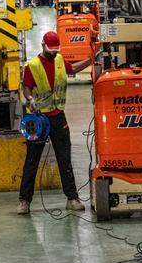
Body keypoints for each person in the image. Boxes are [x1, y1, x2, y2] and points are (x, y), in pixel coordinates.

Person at [17, 31, 89, 215]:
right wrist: (30, 99)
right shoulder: (32, 66)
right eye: (51, 50)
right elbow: (26, 87)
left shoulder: (59, 60)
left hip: (58, 117)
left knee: (65, 159)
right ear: (43, 45)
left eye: (56, 50)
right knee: (32, 161)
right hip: (38, 119)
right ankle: (24, 201)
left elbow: (73, 69)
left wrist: (91, 60)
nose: (53, 53)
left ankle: (72, 198)